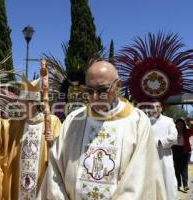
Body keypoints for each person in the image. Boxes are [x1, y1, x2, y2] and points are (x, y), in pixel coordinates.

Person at [40, 61, 167, 199]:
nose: (94, 97)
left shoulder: (137, 122)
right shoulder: (73, 120)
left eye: (102, 90)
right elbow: (55, 172)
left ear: (118, 85)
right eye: (89, 91)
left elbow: (140, 181)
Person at [0, 75, 62, 200]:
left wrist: (52, 142)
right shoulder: (17, 123)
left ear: (32, 103)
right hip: (19, 183)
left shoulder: (52, 122)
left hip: (42, 183)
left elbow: (62, 151)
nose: (18, 104)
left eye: (21, 101)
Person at [149, 101, 178, 199]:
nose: (155, 109)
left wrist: (159, 142)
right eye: (153, 107)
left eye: (158, 106)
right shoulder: (146, 122)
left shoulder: (169, 121)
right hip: (150, 156)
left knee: (167, 179)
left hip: (165, 155)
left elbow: (174, 137)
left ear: (161, 108)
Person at [172, 118, 193, 192]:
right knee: (177, 168)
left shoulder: (186, 131)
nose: (180, 125)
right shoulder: (173, 131)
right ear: (176, 125)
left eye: (181, 124)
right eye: (178, 124)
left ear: (184, 125)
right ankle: (178, 184)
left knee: (184, 168)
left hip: (185, 150)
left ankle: (185, 185)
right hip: (175, 150)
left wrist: (191, 124)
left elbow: (192, 131)